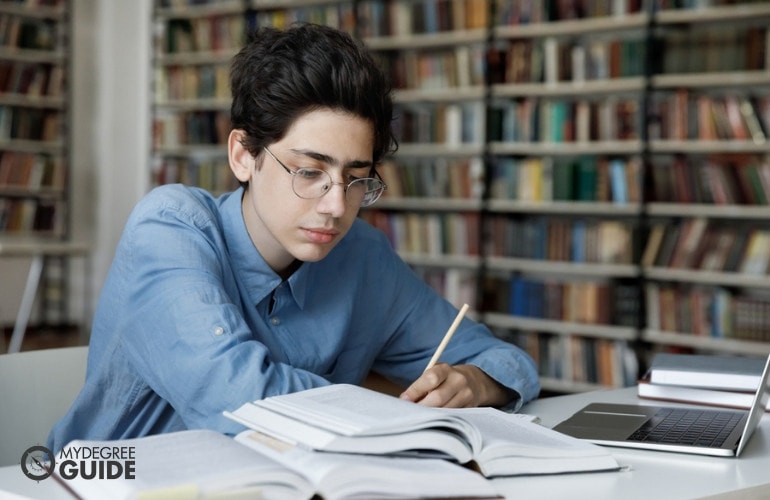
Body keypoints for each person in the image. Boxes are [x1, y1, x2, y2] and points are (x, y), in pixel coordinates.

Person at [48, 23, 540, 453]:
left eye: (356, 178)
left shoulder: (363, 256)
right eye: (309, 171)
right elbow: (233, 396)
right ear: (243, 155)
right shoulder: (171, 226)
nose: (335, 205)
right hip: (102, 481)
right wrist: (392, 413)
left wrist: (476, 382)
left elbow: (501, 358)